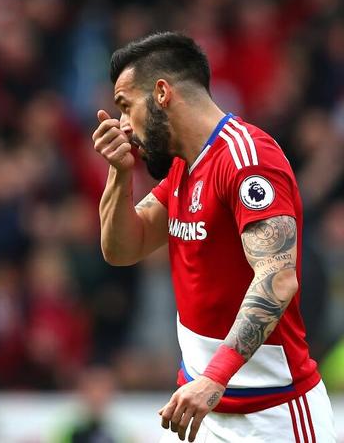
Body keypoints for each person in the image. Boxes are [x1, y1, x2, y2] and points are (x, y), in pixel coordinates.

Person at [92, 32, 335, 442]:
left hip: (273, 415)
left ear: (162, 93)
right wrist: (119, 174)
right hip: (204, 410)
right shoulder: (183, 168)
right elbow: (122, 249)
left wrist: (215, 378)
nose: (123, 125)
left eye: (126, 106)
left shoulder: (247, 158)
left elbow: (278, 278)